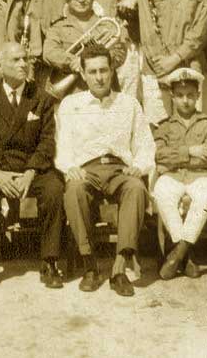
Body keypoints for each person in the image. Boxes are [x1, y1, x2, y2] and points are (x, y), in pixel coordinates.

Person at [55, 44, 155, 297]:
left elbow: (145, 144)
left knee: (136, 188)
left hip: (120, 169)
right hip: (86, 169)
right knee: (74, 190)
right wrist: (70, 167)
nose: (99, 77)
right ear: (83, 74)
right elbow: (62, 144)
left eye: (103, 70)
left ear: (112, 71)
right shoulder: (71, 104)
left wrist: (139, 166)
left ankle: (119, 269)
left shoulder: (129, 104)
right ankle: (91, 266)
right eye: (93, 71)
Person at [0, 42, 64, 290]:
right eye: (16, 60)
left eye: (25, 59)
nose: (23, 64)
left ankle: (50, 261)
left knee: (53, 190)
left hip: (32, 169)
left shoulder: (41, 98)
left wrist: (30, 173)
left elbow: (46, 141)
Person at [152, 68, 207, 281]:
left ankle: (177, 254)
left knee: (206, 196)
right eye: (180, 96)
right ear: (172, 97)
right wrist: (190, 151)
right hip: (172, 177)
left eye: (190, 95)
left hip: (201, 177)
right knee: (162, 192)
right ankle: (187, 256)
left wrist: (176, 157)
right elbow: (158, 155)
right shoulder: (163, 127)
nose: (185, 101)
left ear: (198, 96)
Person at [43, 0, 127, 97]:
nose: (81, 0)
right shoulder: (58, 27)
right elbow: (49, 53)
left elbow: (120, 54)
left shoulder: (107, 24)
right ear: (67, 0)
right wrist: (73, 61)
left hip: (106, 91)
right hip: (73, 92)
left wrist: (92, 61)